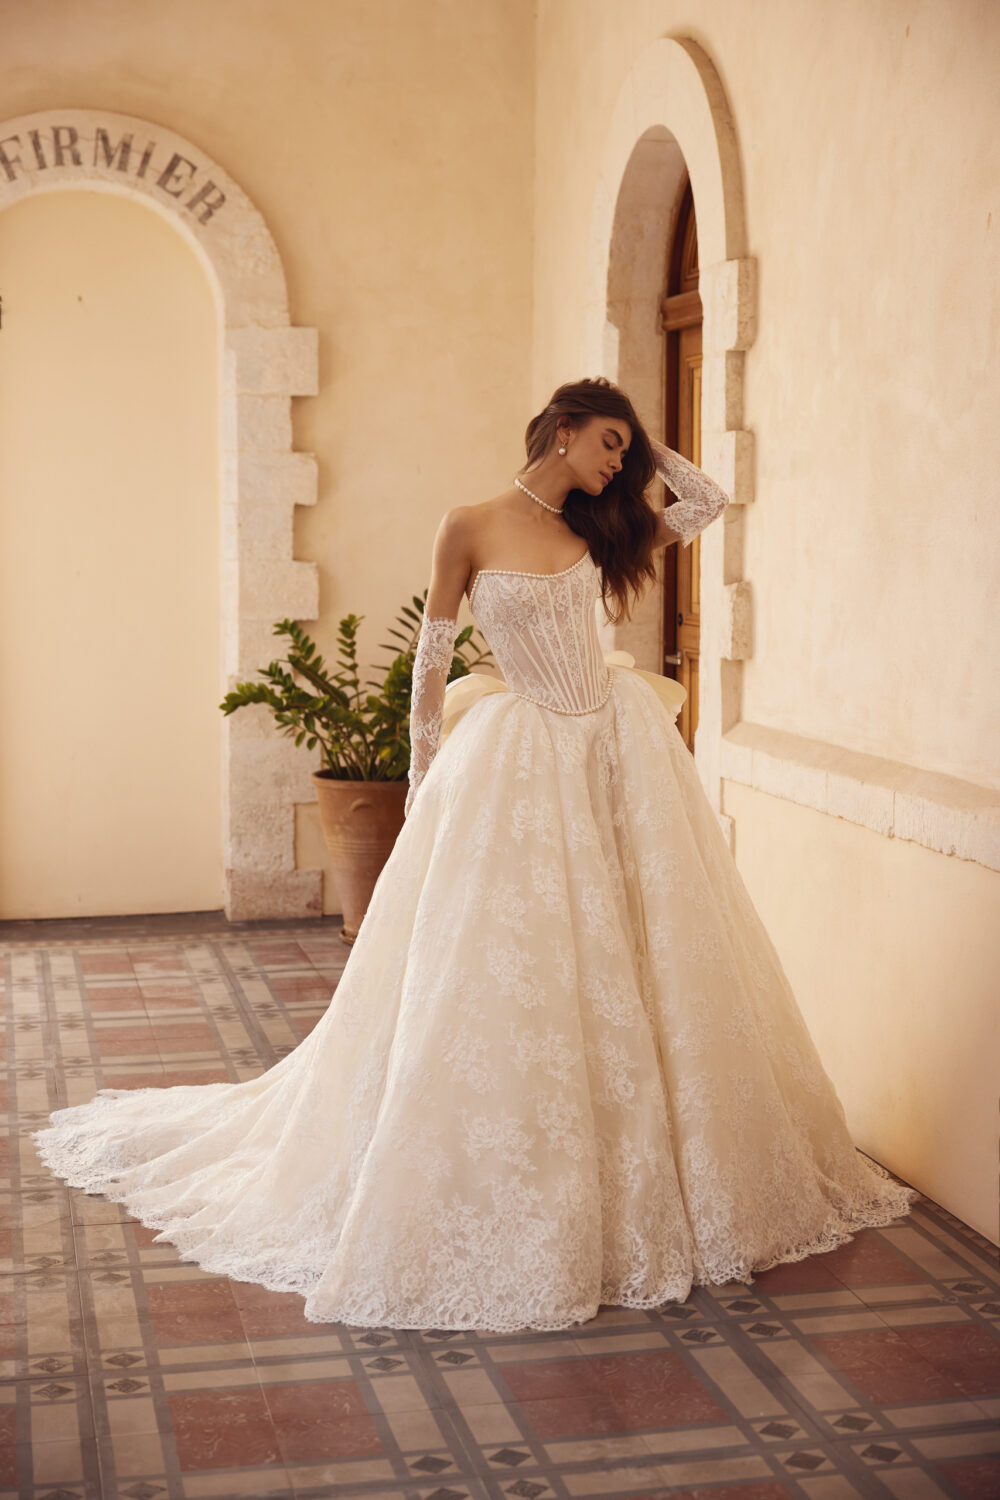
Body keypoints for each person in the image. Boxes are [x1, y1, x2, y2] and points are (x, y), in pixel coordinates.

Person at [33, 376, 917, 1334]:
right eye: (608, 443)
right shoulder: (469, 525)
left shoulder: (602, 528)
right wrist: (422, 770)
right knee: (520, 958)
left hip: (614, 748)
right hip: (522, 751)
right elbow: (432, 656)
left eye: (626, 450)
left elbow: (705, 505)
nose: (619, 462)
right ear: (562, 430)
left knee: (646, 941)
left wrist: (646, 449)